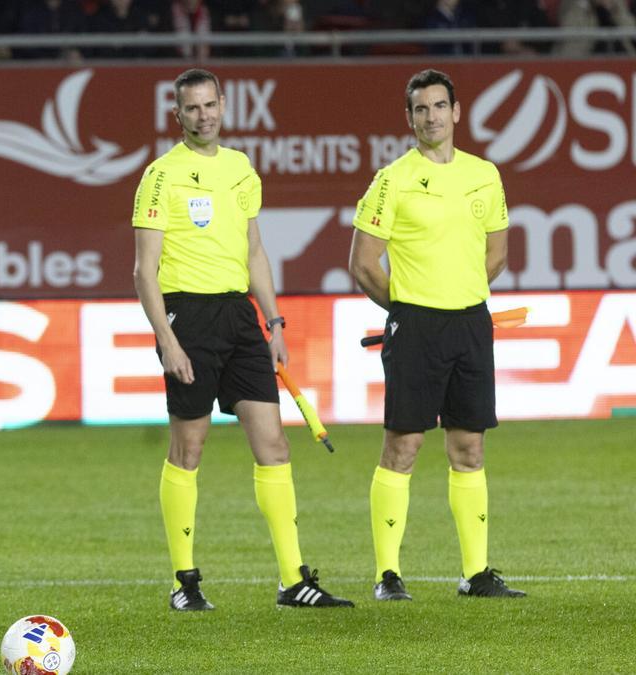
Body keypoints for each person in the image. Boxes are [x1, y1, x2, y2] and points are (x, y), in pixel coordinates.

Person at [132, 68, 354, 611]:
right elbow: (144, 269)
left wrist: (274, 323)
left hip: (239, 317)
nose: (204, 115)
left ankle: (292, 579)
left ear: (224, 107)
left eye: (211, 105)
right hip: (188, 317)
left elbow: (255, 250)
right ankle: (184, 581)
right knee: (190, 447)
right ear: (177, 115)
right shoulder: (160, 176)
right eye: (193, 108)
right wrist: (167, 340)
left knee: (274, 445)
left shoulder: (240, 168)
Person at [349, 68, 525, 602]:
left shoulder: (485, 175)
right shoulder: (391, 180)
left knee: (469, 447)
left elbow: (495, 254)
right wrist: (407, 307)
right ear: (409, 119)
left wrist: (457, 293)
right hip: (416, 326)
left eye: (439, 107)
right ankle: (387, 575)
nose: (431, 117)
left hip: (471, 322)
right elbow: (362, 263)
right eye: (420, 109)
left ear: (456, 112)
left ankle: (476, 573)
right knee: (403, 445)